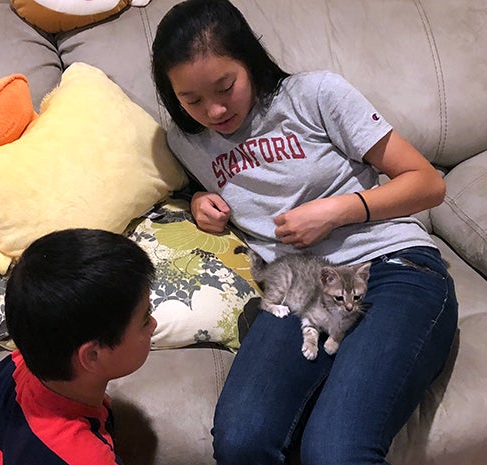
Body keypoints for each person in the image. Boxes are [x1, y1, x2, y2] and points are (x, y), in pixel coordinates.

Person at [151, 1, 459, 464]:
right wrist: (197, 201)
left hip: (390, 269)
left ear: (249, 61)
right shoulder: (184, 141)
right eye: (190, 100)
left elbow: (428, 183)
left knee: (335, 451)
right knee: (241, 443)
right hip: (298, 291)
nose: (213, 110)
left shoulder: (315, 94)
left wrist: (339, 211)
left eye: (225, 87)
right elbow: (213, 187)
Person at [0, 228, 156, 465]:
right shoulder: (87, 457)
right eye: (145, 319)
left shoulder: (13, 368)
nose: (153, 325)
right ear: (93, 355)